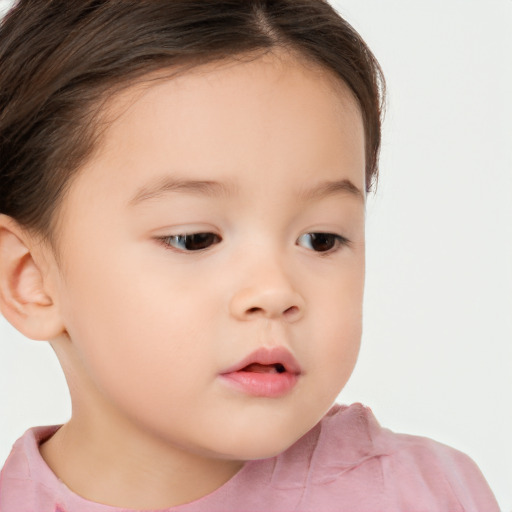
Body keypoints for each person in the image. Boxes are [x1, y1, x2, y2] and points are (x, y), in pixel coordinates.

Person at [0, 1, 500, 510]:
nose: (275, 291)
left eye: (321, 239)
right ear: (30, 277)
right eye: (195, 238)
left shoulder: (422, 494)